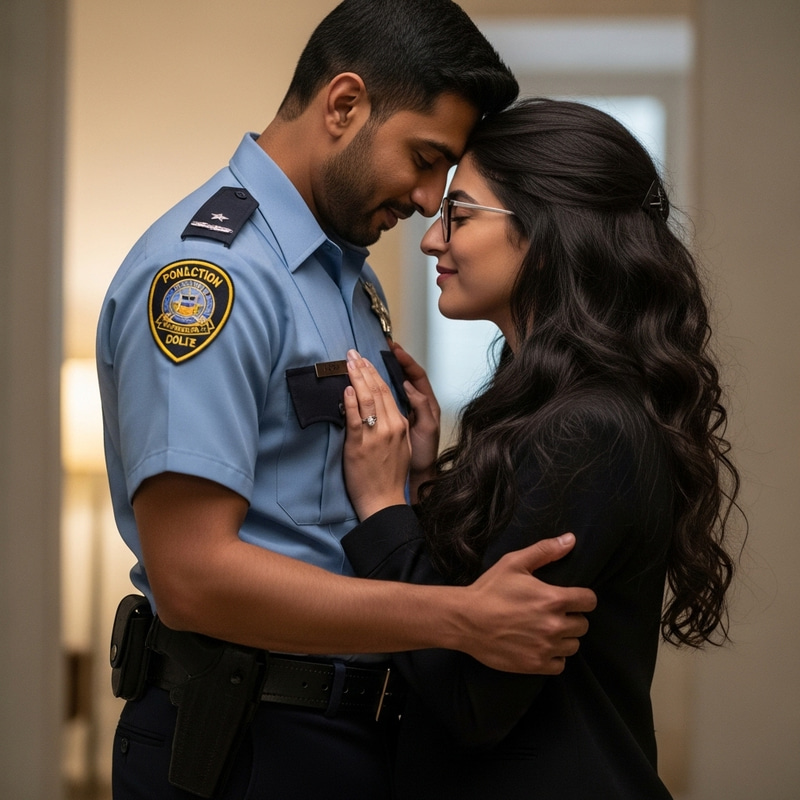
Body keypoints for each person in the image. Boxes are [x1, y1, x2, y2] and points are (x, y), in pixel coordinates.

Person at [96, 3, 598, 798]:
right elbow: (192, 576)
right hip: (244, 735)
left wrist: (415, 477)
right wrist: (458, 616)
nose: (433, 199)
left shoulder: (346, 273)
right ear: (344, 105)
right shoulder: (209, 278)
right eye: (426, 158)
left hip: (346, 731)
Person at [340, 97, 741, 799]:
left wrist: (381, 507)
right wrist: (427, 479)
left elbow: (473, 700)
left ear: (547, 234)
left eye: (459, 215)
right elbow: (476, 601)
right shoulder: (565, 408)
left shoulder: (588, 429)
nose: (433, 240)